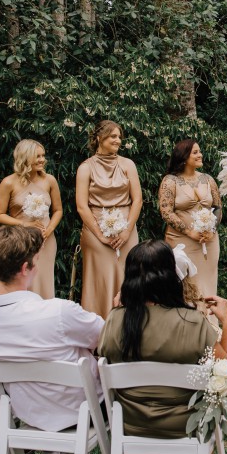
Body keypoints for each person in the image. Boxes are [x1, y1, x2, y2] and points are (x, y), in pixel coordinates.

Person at [97, 240, 227, 454]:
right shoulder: (192, 322)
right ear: (171, 276)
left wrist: (117, 310)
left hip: (130, 422)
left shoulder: (114, 322)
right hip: (184, 423)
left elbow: (103, 355)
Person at [0, 226, 105, 454]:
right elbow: (106, 338)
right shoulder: (59, 312)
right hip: (85, 412)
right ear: (24, 268)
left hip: (28, 412)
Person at [75, 120, 142, 318]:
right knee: (100, 279)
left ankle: (129, 328)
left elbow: (137, 200)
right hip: (95, 232)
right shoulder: (85, 168)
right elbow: (81, 205)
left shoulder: (128, 164)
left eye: (119, 136)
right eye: (113, 136)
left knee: (128, 276)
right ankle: (100, 331)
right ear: (99, 138)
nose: (118, 140)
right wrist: (100, 235)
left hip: (126, 229)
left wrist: (127, 231)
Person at [0, 139, 63, 298]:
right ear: (25, 157)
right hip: (21, 241)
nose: (42, 159)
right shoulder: (8, 183)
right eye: (37, 156)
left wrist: (50, 229)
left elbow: (58, 210)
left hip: (46, 241)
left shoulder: (49, 180)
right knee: (23, 280)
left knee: (44, 280)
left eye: (43, 155)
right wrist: (24, 223)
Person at [158, 139, 222, 299]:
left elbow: (218, 207)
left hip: (209, 241)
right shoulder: (169, 181)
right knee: (186, 284)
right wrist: (189, 231)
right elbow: (166, 211)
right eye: (195, 152)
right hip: (181, 241)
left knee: (208, 283)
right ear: (183, 156)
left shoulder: (208, 179)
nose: (200, 155)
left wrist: (212, 230)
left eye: (199, 151)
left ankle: (209, 322)